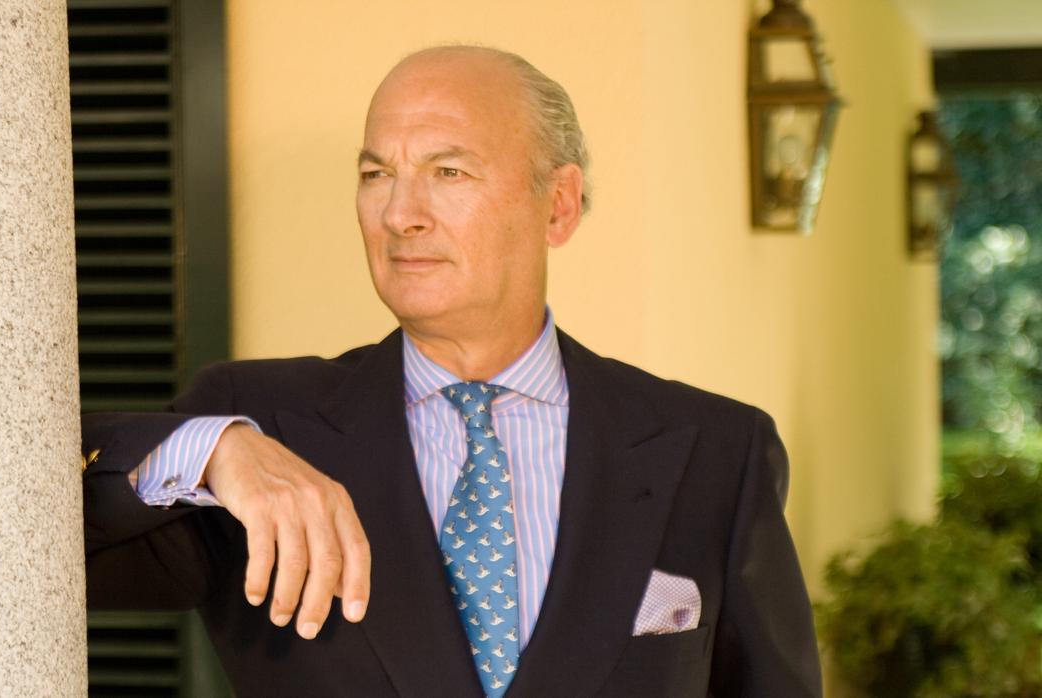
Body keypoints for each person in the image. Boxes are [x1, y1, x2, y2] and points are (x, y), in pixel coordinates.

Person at [82, 45, 822, 697]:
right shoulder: (257, 427)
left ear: (558, 206)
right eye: (376, 173)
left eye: (448, 171)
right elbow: (29, 529)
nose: (400, 213)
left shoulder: (717, 452)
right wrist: (213, 451)